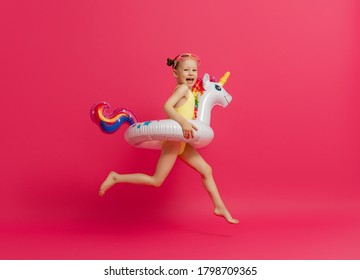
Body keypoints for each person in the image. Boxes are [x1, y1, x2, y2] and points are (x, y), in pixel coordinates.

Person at [99, 53, 239, 224]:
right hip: (174, 142)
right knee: (156, 180)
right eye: (186, 70)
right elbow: (167, 106)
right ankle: (116, 177)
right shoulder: (181, 89)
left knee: (207, 170)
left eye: (194, 70)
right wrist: (183, 123)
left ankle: (219, 206)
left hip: (183, 142)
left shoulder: (189, 91)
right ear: (175, 73)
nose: (191, 73)